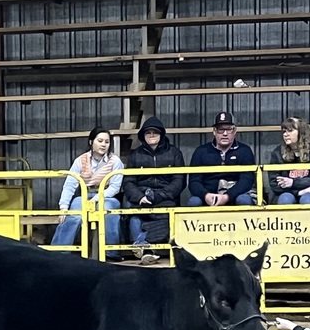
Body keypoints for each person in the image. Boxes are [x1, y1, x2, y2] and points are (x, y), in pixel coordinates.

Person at [51, 126, 125, 260]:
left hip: (107, 196)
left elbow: (115, 187)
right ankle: (58, 253)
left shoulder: (115, 161)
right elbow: (70, 184)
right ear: (91, 142)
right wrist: (63, 207)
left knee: (108, 212)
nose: (103, 145)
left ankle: (112, 253)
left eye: (107, 142)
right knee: (73, 215)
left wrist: (97, 198)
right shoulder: (80, 160)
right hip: (85, 195)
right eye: (100, 141)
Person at [121, 117, 186, 264]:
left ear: (162, 135)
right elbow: (129, 181)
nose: (151, 135)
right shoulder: (135, 154)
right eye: (148, 132)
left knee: (168, 214)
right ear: (142, 135)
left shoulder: (174, 153)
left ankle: (142, 244)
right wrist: (139, 197)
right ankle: (146, 251)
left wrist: (158, 196)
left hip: (165, 197)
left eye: (155, 132)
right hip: (142, 197)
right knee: (133, 213)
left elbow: (179, 181)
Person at [186, 111, 257, 207]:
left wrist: (227, 196)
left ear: (235, 131)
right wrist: (206, 195)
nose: (225, 133)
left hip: (235, 194)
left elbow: (247, 180)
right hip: (209, 195)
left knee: (244, 200)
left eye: (229, 129)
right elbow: (194, 181)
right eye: (220, 130)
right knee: (194, 202)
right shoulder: (201, 151)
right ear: (214, 131)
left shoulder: (245, 151)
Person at [267, 117, 310, 205]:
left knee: (307, 199)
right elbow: (274, 184)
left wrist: (293, 183)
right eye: (284, 131)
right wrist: (299, 192)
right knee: (285, 199)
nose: (285, 134)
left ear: (301, 133)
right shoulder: (278, 153)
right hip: (288, 193)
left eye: (290, 131)